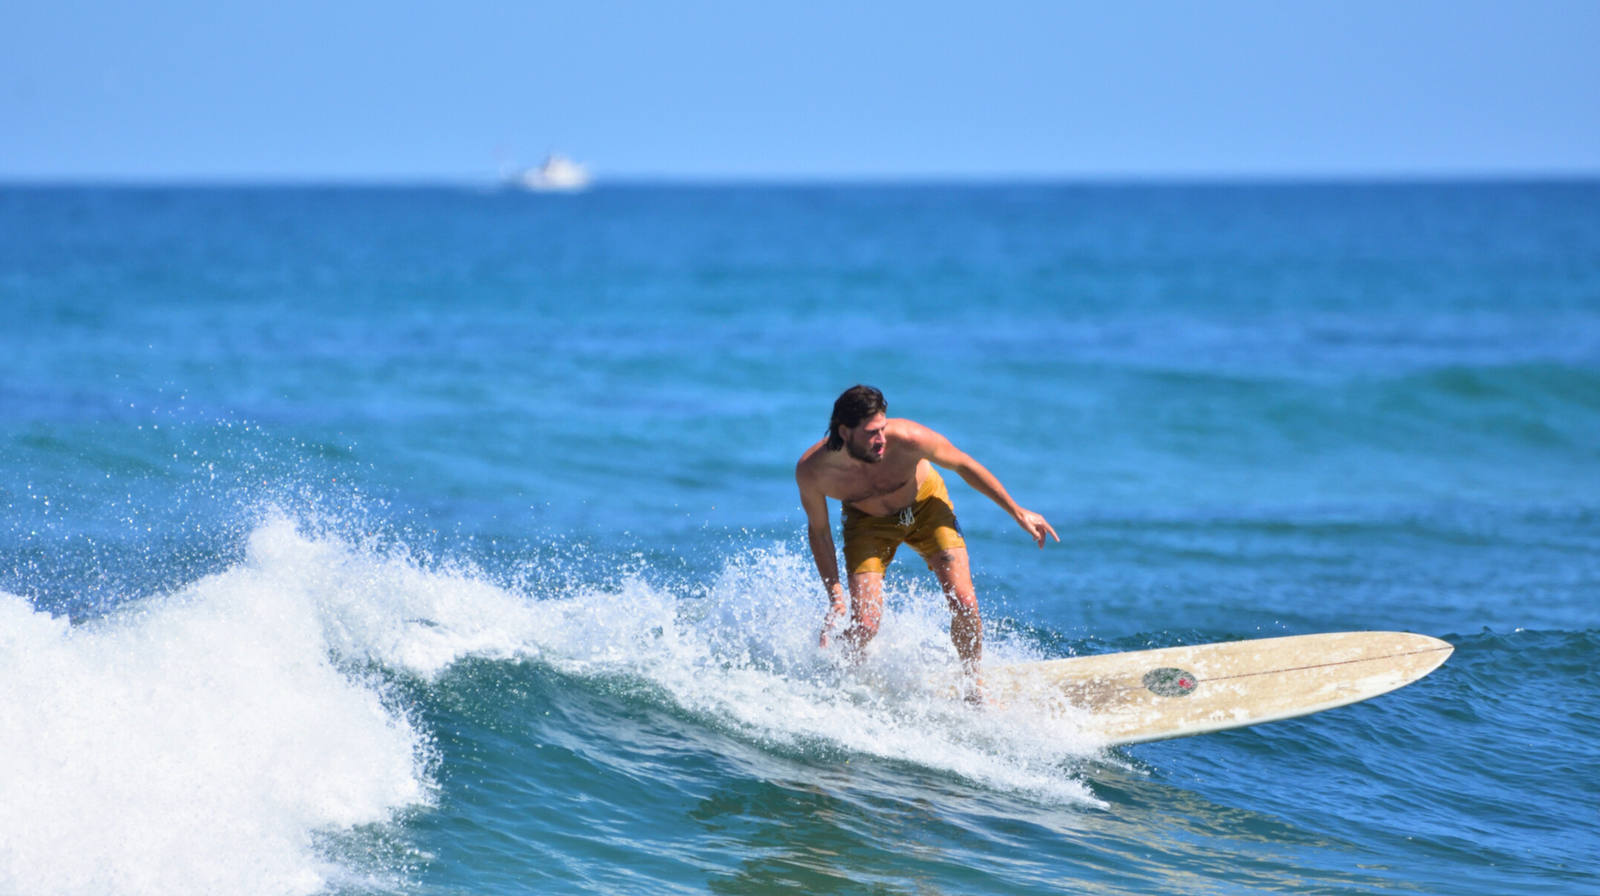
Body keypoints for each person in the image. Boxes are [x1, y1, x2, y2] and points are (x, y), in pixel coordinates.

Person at [795, 385, 1057, 685]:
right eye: (871, 433)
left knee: (965, 602)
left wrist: (1016, 511)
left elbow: (963, 464)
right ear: (844, 432)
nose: (881, 440)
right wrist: (835, 595)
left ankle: (974, 687)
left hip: (926, 506)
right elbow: (819, 531)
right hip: (867, 522)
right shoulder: (813, 471)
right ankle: (837, 679)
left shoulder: (910, 440)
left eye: (883, 427)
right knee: (865, 624)